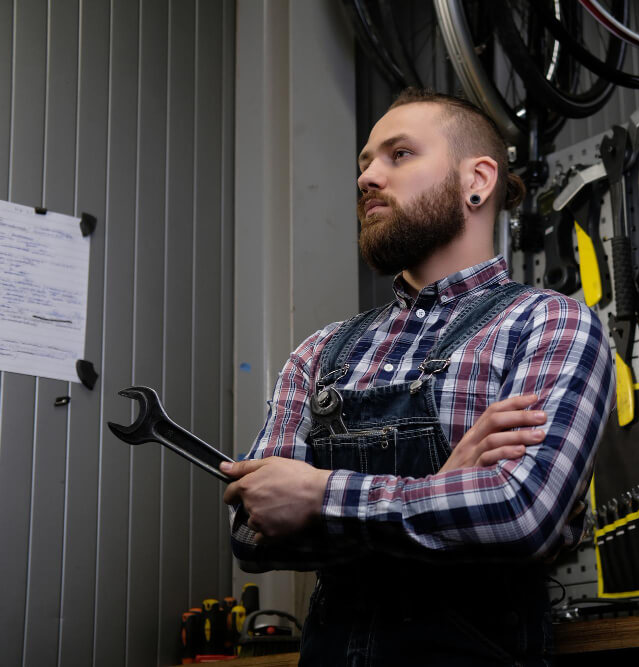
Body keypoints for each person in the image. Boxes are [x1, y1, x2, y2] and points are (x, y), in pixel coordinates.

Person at [221, 88, 615, 666]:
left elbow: (520, 511)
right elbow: (253, 530)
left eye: (398, 154)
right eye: (364, 164)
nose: (367, 178)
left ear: (476, 180)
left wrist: (318, 494)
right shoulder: (319, 353)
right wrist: (445, 484)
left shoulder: (548, 325)